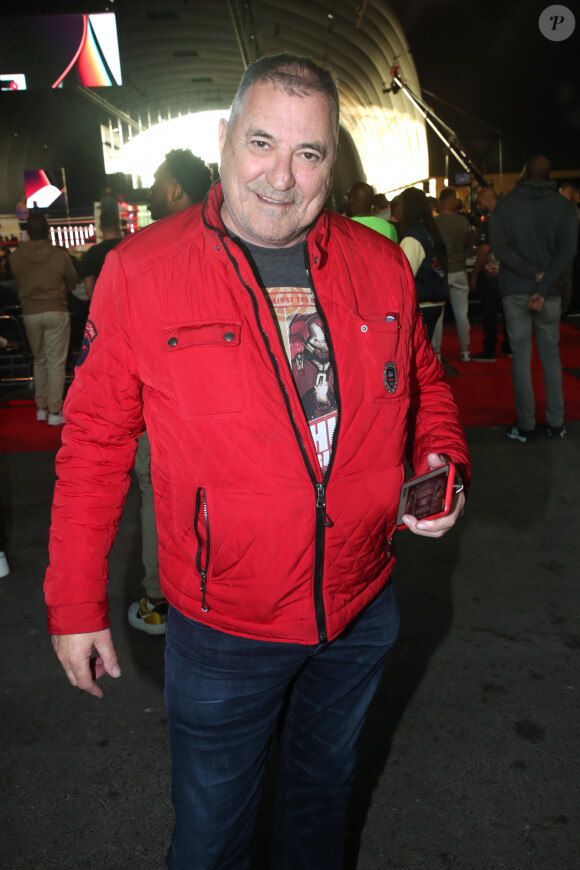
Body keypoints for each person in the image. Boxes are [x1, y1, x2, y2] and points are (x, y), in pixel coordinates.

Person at [45, 54, 470, 870]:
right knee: (211, 839)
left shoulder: (378, 263)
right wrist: (73, 605)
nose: (282, 176)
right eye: (262, 143)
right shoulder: (141, 273)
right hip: (222, 626)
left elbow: (426, 386)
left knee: (320, 804)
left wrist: (441, 463)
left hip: (360, 608)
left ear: (330, 164)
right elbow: (94, 446)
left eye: (308, 154)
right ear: (223, 139)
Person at [128, 148, 213, 636]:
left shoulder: (147, 251)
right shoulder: (231, 239)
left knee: (157, 496)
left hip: (162, 407)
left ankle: (160, 601)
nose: (152, 190)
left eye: (159, 182)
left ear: (177, 189)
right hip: (221, 407)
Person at [489, 155, 577, 441]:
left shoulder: (506, 205)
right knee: (551, 357)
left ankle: (525, 425)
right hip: (549, 293)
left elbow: (500, 248)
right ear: (549, 176)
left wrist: (532, 273)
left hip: (516, 289)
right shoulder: (564, 207)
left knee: (521, 358)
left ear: (524, 173)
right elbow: (567, 252)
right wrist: (544, 283)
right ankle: (556, 423)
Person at [10, 212, 77, 426]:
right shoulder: (58, 255)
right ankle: (55, 411)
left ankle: (40, 408)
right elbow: (72, 281)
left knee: (39, 360)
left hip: (30, 312)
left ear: (27, 231)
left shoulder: (16, 256)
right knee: (56, 363)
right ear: (48, 230)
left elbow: (16, 282)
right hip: (56, 309)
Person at [395, 186, 449, 343]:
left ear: (408, 208)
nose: (395, 209)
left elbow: (402, 278)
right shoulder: (430, 232)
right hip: (435, 301)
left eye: (398, 205)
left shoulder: (413, 238)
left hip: (422, 304)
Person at [469, 187, 511, 361]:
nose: (478, 207)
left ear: (487, 200)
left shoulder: (489, 221)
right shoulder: (509, 217)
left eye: (479, 203)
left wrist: (475, 273)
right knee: (508, 313)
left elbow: (484, 249)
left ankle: (489, 349)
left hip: (492, 273)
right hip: (509, 271)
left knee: (490, 313)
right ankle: (508, 347)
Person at [436, 188, 471, 361]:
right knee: (461, 313)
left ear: (440, 202)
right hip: (459, 270)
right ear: (453, 201)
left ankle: (437, 353)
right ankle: (465, 351)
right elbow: (467, 246)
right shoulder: (463, 222)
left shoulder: (435, 223)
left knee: (438, 316)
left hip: (441, 273)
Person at [82, 210, 123, 301]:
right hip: (128, 305)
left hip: (105, 304)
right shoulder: (128, 247)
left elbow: (89, 289)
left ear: (100, 227)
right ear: (118, 226)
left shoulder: (93, 252)